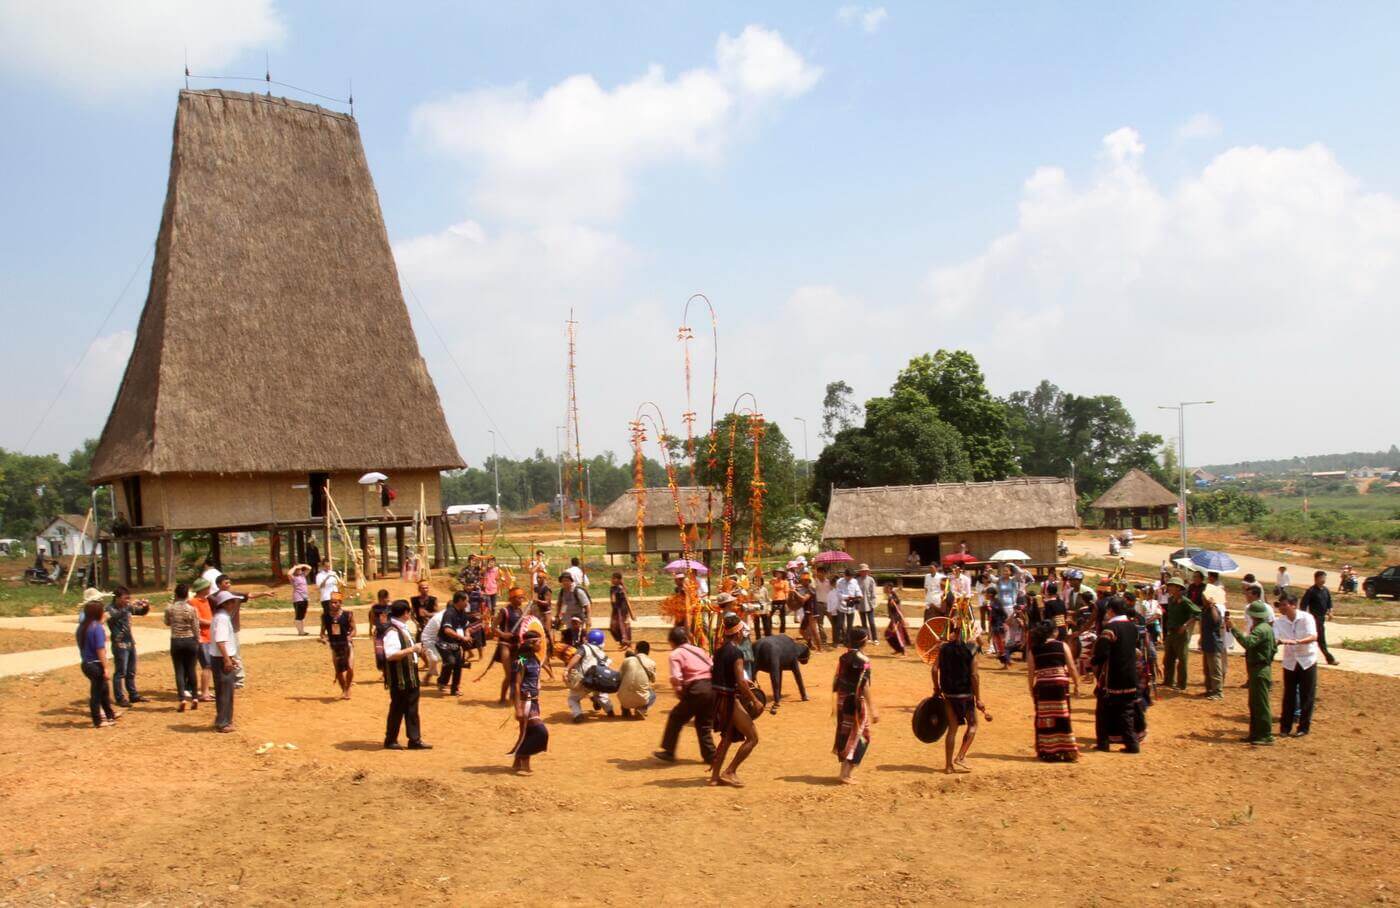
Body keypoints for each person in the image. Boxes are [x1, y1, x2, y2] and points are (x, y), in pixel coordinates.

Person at [709, 614, 762, 787]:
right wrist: (755, 700)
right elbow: (739, 681)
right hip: (730, 701)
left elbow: (724, 675)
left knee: (728, 737)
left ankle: (715, 777)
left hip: (717, 699)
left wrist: (742, 682)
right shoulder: (737, 652)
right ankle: (730, 771)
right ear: (738, 633)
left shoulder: (719, 651)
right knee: (753, 738)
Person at [654, 627, 717, 764]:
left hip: (696, 689)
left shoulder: (676, 654)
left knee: (676, 717)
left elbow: (676, 677)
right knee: (704, 724)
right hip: (712, 688)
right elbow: (712, 664)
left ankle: (669, 751)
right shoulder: (699, 650)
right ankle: (711, 756)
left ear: (672, 642)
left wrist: (679, 692)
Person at [1091, 597, 1144, 754]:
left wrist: (1092, 662)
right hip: (1130, 675)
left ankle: (1103, 743)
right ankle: (1132, 743)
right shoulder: (1132, 627)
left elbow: (1101, 653)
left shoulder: (1110, 628)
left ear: (1110, 610)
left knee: (1103, 710)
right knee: (1126, 711)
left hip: (1112, 676)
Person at [1026, 620, 1079, 761]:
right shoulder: (1062, 646)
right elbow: (1071, 667)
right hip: (1060, 685)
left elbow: (1031, 672)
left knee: (1045, 718)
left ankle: (1048, 750)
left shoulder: (1034, 649)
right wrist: (1077, 684)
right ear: (1054, 632)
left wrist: (1031, 688)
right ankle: (1067, 750)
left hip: (1043, 686)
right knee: (1063, 716)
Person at [1227, 599, 1278, 746]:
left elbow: (1247, 643)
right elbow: (1274, 648)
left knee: (1260, 704)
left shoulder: (1260, 629)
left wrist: (1234, 629)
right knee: (1255, 703)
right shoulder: (1266, 628)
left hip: (1259, 669)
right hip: (1260, 668)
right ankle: (1256, 734)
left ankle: (1265, 735)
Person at [933, 623, 982, 773]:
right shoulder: (971, 649)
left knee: (952, 729)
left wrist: (937, 688)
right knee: (973, 725)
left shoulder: (943, 648)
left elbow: (934, 670)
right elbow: (974, 675)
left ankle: (948, 766)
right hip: (965, 695)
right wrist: (978, 698)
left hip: (949, 694)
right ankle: (960, 756)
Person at [382, 601, 431, 750]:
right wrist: (412, 649)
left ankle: (414, 739)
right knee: (397, 708)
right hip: (400, 677)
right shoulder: (392, 631)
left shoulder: (402, 628)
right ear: (405, 613)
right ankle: (391, 740)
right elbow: (391, 655)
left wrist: (417, 650)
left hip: (410, 675)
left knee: (412, 709)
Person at [833, 627, 878, 784]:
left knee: (846, 734)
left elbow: (837, 680)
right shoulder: (864, 661)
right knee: (860, 736)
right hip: (855, 702)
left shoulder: (843, 657)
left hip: (842, 701)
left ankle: (845, 772)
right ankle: (845, 774)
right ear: (864, 641)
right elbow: (863, 686)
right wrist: (873, 709)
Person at [1273, 590, 1318, 738]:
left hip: (1307, 660)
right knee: (1289, 695)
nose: (1281, 608)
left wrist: (1297, 642)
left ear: (1293, 605)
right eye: (1280, 605)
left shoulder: (1306, 618)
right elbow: (1274, 637)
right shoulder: (1279, 622)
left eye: (1284, 605)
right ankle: (1285, 727)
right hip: (1290, 662)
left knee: (1307, 695)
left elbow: (1313, 636)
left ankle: (1303, 728)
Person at [509, 629, 549, 774]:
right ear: (531, 644)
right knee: (540, 732)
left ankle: (518, 763)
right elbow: (516, 684)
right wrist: (518, 708)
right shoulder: (521, 660)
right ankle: (522, 755)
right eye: (539, 642)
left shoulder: (535, 659)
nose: (541, 645)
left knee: (526, 733)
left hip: (534, 701)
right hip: (525, 701)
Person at [76, 592, 118, 728]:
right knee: (97, 693)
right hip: (95, 664)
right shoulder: (97, 628)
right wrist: (105, 668)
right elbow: (100, 649)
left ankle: (110, 715)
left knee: (104, 690)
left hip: (86, 664)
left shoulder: (82, 627)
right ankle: (98, 720)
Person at [106, 586, 151, 707]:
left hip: (130, 642)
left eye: (128, 598)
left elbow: (141, 612)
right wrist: (128, 607)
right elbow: (115, 616)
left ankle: (133, 695)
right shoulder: (110, 608)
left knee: (131, 671)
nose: (127, 601)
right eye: (125, 598)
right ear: (117, 598)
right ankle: (120, 698)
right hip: (119, 644)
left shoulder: (126, 607)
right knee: (120, 672)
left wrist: (146, 606)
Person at [164, 583, 201, 711]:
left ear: (175, 594)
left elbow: (167, 622)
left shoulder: (170, 608)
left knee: (179, 670)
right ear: (187, 595)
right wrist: (197, 639)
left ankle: (182, 698)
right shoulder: (191, 609)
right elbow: (195, 626)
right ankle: (195, 697)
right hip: (190, 640)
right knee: (191, 669)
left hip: (176, 640)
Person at [566, 628, 616, 722]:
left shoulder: (584, 648)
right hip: (599, 681)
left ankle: (578, 714)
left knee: (573, 699)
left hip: (586, 681)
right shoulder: (603, 654)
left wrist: (567, 669)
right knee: (601, 695)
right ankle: (609, 710)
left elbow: (577, 657)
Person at [208, 591, 240, 733]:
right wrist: (227, 659)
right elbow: (220, 641)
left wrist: (230, 658)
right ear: (225, 604)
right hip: (221, 659)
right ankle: (223, 723)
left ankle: (223, 720)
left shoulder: (222, 617)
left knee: (224, 690)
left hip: (222, 657)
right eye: (232, 602)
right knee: (225, 691)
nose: (234, 604)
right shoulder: (222, 619)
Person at [752, 634, 810, 711]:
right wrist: (803, 694)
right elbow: (797, 675)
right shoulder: (792, 650)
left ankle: (746, 696)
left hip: (758, 646)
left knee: (752, 673)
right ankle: (777, 700)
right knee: (775, 672)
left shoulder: (787, 641)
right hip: (773, 650)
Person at [1161, 577, 1200, 690]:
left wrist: (1186, 625)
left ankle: (1181, 684)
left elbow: (1198, 613)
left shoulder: (1185, 601)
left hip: (1180, 634)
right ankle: (1168, 681)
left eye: (1171, 586)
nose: (1169, 588)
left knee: (1182, 659)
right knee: (1168, 658)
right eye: (1169, 585)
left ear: (1178, 588)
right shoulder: (1170, 600)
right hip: (1171, 632)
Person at [319, 592, 356, 699]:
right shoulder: (325, 617)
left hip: (347, 645)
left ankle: (348, 688)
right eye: (331, 602)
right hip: (335, 646)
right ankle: (344, 690)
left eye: (335, 602)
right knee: (338, 671)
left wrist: (350, 636)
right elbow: (322, 633)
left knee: (350, 667)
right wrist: (324, 638)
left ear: (340, 603)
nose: (333, 605)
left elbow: (354, 630)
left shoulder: (348, 615)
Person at [1300, 571, 1339, 666]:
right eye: (1322, 578)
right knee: (1321, 639)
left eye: (1324, 578)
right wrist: (1305, 618)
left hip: (1322, 618)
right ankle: (1330, 659)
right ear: (1316, 579)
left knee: (1314, 639)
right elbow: (1303, 605)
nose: (1324, 580)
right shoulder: (1311, 591)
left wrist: (1330, 612)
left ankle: (1303, 657)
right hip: (1314, 619)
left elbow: (1329, 603)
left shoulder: (1326, 590)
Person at [437, 591, 472, 695]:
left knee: (458, 665)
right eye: (466, 601)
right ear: (460, 600)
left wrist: (467, 635)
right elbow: (447, 630)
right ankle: (442, 681)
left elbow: (467, 627)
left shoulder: (463, 612)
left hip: (455, 643)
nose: (467, 603)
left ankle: (455, 689)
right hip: (444, 643)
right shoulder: (449, 613)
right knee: (450, 662)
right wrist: (462, 637)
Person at [1198, 583, 1228, 701]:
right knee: (1207, 669)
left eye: (1204, 597)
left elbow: (1216, 621)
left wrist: (1211, 606)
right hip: (1207, 643)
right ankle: (1210, 689)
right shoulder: (1205, 610)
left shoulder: (1214, 609)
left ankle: (1218, 691)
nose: (1202, 598)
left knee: (1215, 669)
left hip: (1214, 644)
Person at [189, 578, 214, 703]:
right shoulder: (193, 602)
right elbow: (196, 619)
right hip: (202, 637)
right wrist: (213, 623)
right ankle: (204, 693)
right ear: (202, 589)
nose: (209, 589)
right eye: (207, 587)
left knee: (209, 665)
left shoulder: (207, 600)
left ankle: (206, 691)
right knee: (207, 665)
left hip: (209, 636)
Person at [617, 641, 657, 718]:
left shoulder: (627, 660)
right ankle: (641, 709)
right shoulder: (652, 663)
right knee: (652, 694)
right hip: (641, 699)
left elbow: (620, 676)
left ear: (636, 650)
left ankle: (625, 709)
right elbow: (653, 680)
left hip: (623, 698)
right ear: (648, 651)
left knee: (624, 683)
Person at [792, 573, 821, 653]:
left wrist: (795, 591)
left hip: (812, 612)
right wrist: (795, 590)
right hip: (807, 612)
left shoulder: (811, 589)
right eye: (803, 580)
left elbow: (803, 599)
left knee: (814, 631)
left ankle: (819, 649)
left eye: (806, 580)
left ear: (809, 581)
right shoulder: (804, 588)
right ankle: (811, 644)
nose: (804, 581)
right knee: (801, 631)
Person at [608, 572, 634, 648]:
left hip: (622, 609)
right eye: (612, 578)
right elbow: (613, 600)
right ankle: (621, 641)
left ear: (619, 580)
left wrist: (631, 613)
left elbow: (627, 600)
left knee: (623, 626)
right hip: (615, 609)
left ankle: (626, 642)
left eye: (614, 578)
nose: (612, 580)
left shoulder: (621, 589)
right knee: (613, 627)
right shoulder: (612, 588)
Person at [884, 583, 910, 655]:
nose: (884, 589)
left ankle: (904, 651)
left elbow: (897, 609)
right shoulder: (891, 596)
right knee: (889, 634)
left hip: (896, 619)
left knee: (898, 635)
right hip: (894, 619)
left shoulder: (892, 598)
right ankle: (898, 649)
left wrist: (902, 619)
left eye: (885, 588)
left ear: (889, 589)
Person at [857, 564, 879, 643]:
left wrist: (873, 603)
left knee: (872, 622)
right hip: (861, 605)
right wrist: (856, 604)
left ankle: (875, 638)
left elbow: (873, 593)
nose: (864, 572)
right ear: (860, 572)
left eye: (865, 571)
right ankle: (867, 638)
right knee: (864, 623)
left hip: (869, 604)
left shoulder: (871, 580)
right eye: (862, 571)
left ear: (867, 571)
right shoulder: (857, 580)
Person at [288, 564, 311, 636]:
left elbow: (309, 568)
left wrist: (301, 565)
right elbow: (289, 573)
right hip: (298, 598)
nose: (299, 570)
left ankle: (302, 631)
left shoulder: (303, 576)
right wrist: (295, 567)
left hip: (305, 598)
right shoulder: (293, 577)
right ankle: (300, 631)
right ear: (295, 571)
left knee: (303, 615)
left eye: (300, 569)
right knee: (299, 615)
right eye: (297, 570)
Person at [769, 568, 791, 635]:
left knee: (782, 616)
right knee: (769, 615)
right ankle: (769, 630)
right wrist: (773, 579)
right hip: (774, 599)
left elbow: (786, 592)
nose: (777, 574)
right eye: (776, 573)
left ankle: (782, 632)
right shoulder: (774, 580)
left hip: (782, 600)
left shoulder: (785, 582)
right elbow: (770, 582)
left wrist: (787, 602)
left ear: (782, 574)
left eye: (779, 573)